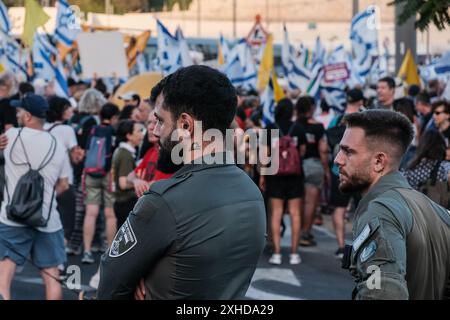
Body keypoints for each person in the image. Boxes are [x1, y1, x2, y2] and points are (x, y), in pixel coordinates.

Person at [97, 65, 266, 300]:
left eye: (160, 121)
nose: (155, 132)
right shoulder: (252, 192)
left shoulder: (163, 200)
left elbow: (109, 287)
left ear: (186, 125)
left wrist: (146, 279)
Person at [335, 109, 450, 299]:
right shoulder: (436, 210)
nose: (338, 159)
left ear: (379, 161)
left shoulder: (379, 210)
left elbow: (384, 293)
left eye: (348, 151)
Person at [0, 94, 70, 300]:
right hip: (47, 219)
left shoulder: (11, 136)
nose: (17, 113)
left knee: (4, 277)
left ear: (28, 116)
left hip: (12, 216)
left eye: (20, 111)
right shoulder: (57, 144)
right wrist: (45, 197)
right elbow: (64, 184)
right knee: (52, 277)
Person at [261, 98, 306, 265]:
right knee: (295, 214)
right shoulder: (299, 128)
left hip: (275, 175)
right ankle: (294, 254)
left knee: (276, 213)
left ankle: (277, 253)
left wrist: (262, 176)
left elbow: (265, 156)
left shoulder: (270, 128)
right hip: (295, 176)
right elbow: (302, 152)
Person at [82, 103, 120, 264]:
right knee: (110, 214)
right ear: (113, 118)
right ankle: (110, 252)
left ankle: (87, 251)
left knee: (91, 213)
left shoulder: (93, 129)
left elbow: (86, 150)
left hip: (91, 172)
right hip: (108, 174)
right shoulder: (112, 132)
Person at [328, 88, 364, 259]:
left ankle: (341, 247)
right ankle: (360, 245)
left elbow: (325, 145)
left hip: (339, 170)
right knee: (362, 209)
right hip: (360, 170)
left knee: (339, 208)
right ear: (361, 102)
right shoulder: (365, 119)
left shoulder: (336, 119)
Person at [295, 96, 329, 247]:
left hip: (297, 166)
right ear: (312, 108)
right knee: (311, 203)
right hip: (314, 165)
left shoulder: (295, 125)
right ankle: (305, 233)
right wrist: (326, 170)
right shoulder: (318, 127)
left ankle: (298, 231)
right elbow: (323, 150)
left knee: (300, 202)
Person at [112, 120, 144, 228]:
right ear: (129, 135)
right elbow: (123, 183)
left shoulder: (122, 151)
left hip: (121, 202)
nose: (141, 134)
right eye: (139, 131)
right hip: (125, 202)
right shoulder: (125, 154)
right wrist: (143, 183)